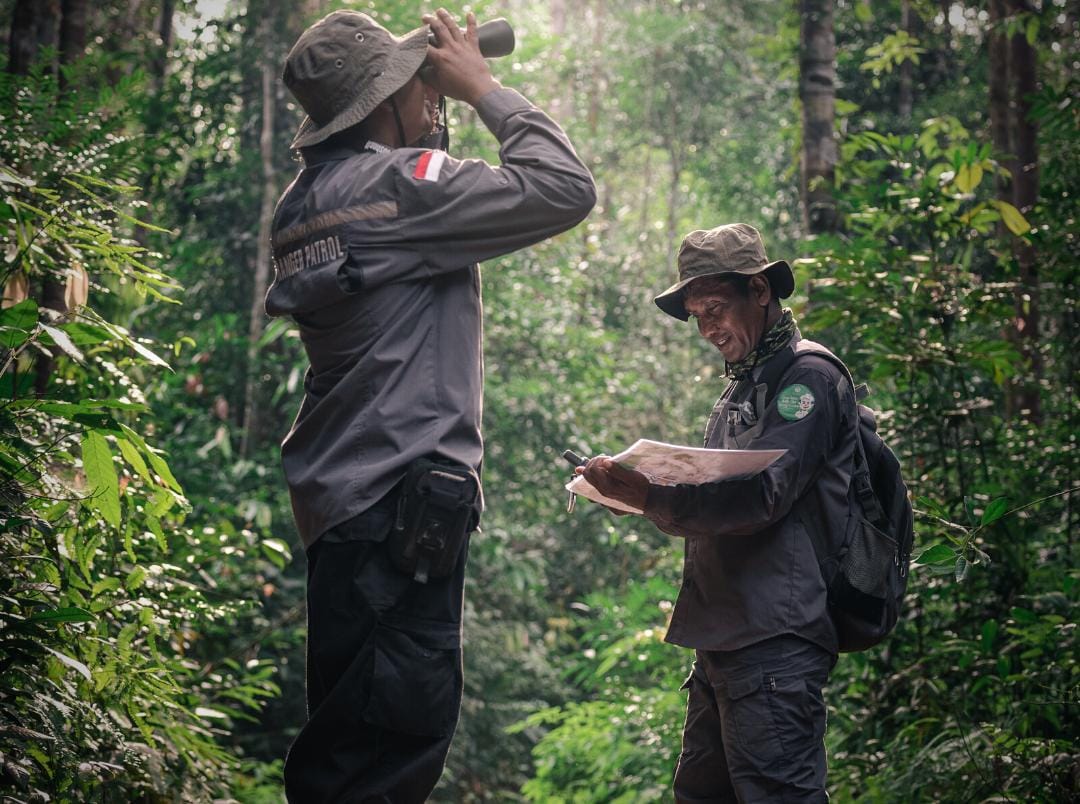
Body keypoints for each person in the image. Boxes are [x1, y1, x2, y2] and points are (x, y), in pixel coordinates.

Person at [267, 8, 595, 802]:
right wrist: (485, 88)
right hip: (396, 515)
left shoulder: (303, 204)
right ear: (377, 106)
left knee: (347, 747)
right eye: (414, 86)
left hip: (343, 516)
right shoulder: (398, 185)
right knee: (389, 756)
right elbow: (564, 188)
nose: (431, 98)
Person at [579, 223, 854, 802]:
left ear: (759, 290)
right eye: (697, 315)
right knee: (702, 793)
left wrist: (650, 498)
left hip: (773, 639)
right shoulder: (740, 389)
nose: (708, 328)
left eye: (716, 308)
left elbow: (762, 497)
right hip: (724, 637)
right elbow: (713, 493)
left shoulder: (807, 379)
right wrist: (635, 489)